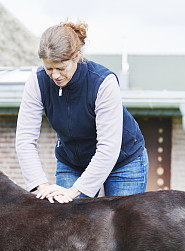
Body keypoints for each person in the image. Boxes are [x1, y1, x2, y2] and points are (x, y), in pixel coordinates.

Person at [15, 21, 148, 203]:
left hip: (123, 162)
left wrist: (74, 191)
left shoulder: (103, 82)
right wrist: (41, 185)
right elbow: (24, 139)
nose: (55, 75)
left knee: (122, 226)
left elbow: (108, 148)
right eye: (49, 68)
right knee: (69, 222)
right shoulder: (36, 82)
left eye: (61, 68)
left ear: (76, 57)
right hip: (72, 162)